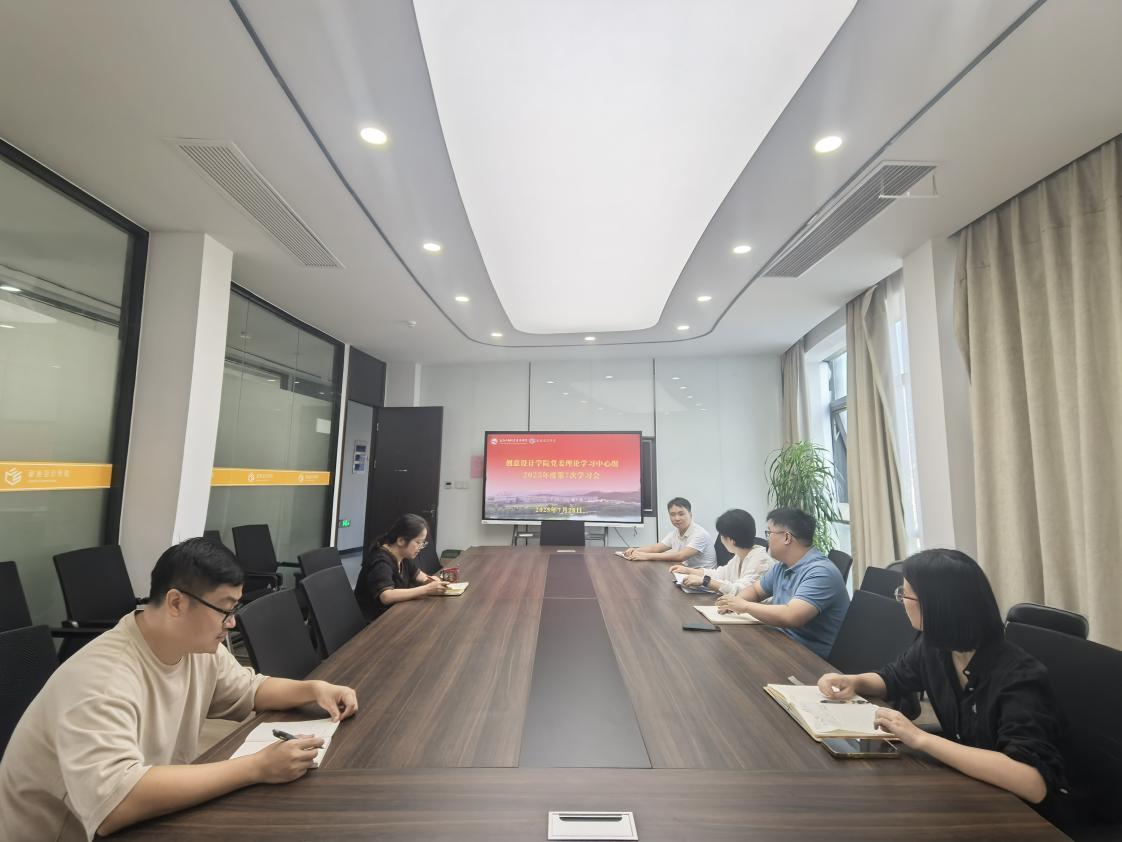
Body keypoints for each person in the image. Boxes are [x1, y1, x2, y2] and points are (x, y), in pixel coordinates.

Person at [0, 538, 358, 842]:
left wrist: (314, 689)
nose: (232, 623)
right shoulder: (100, 679)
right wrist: (256, 767)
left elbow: (249, 690)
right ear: (176, 603)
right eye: (225, 610)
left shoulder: (195, 647)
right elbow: (115, 803)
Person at [816, 548, 1074, 820]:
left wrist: (920, 738)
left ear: (937, 606)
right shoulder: (935, 647)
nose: (901, 601)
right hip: (970, 788)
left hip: (1023, 814)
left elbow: (1032, 783)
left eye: (905, 594)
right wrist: (853, 681)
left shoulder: (1019, 677)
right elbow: (894, 677)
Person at [715, 507, 848, 658]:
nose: (767, 540)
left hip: (810, 657)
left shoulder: (821, 572)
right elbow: (756, 591)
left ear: (786, 538)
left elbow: (791, 616)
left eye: (769, 533)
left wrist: (744, 606)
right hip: (783, 641)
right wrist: (735, 602)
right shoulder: (782, 566)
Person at [354, 514, 448, 622]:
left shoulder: (403, 556)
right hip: (375, 622)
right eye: (418, 542)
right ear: (401, 541)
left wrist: (431, 580)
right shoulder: (380, 561)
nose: (420, 547)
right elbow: (386, 596)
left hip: (394, 613)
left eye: (423, 543)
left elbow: (420, 576)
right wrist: (427, 589)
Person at [669, 508, 773, 595]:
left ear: (731, 540)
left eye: (722, 536)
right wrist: (689, 571)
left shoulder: (761, 560)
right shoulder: (740, 555)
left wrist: (705, 581)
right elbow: (720, 574)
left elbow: (742, 591)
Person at [621, 497, 717, 568]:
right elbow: (656, 548)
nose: (677, 518)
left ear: (690, 514)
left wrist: (646, 556)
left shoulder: (700, 534)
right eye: (672, 515)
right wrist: (636, 551)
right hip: (686, 573)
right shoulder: (675, 533)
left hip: (703, 581)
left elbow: (680, 556)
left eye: (681, 514)